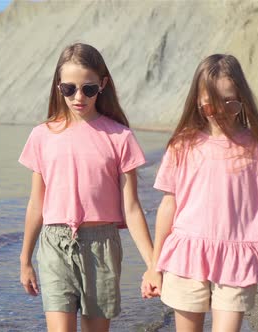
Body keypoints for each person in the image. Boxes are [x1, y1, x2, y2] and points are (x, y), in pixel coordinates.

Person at [141, 54, 258, 331]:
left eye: (230, 104)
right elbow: (168, 206)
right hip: (186, 254)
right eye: (211, 106)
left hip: (237, 260)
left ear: (243, 100)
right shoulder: (182, 145)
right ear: (197, 101)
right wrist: (154, 266)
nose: (220, 113)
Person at [18, 43, 154, 332]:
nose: (78, 97)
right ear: (59, 87)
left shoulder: (120, 137)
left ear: (102, 85)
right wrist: (25, 259)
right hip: (54, 244)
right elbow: (35, 205)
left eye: (88, 89)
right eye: (69, 89)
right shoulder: (41, 135)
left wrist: (153, 264)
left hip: (102, 245)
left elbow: (131, 208)